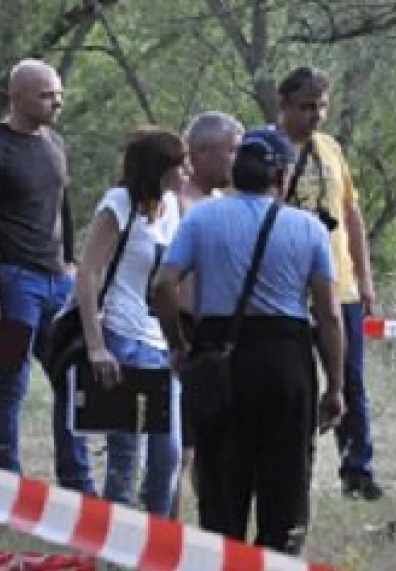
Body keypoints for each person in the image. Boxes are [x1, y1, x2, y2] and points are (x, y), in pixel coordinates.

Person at [151, 126, 346, 554]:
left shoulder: (202, 218)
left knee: (220, 478)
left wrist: (178, 345)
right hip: (285, 360)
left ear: (237, 173)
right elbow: (329, 314)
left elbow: (164, 286)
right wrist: (335, 385)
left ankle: (223, 559)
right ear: (280, 178)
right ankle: (278, 556)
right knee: (286, 479)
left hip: (219, 353)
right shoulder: (308, 229)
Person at [0, 58, 94, 494]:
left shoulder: (55, 144)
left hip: (58, 278)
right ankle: (7, 489)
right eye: (46, 95)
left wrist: (73, 263)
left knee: (72, 378)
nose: (56, 102)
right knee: (12, 384)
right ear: (16, 97)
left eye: (58, 94)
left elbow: (63, 205)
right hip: (14, 279)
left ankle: (77, 482)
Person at [276, 65, 382, 500]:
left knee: (350, 381)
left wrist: (364, 278)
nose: (316, 115)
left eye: (321, 106)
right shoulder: (267, 148)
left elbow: (351, 214)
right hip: (288, 290)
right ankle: (291, 465)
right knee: (295, 384)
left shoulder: (331, 149)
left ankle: (358, 469)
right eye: (306, 107)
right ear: (283, 106)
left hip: (340, 287)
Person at [72, 127, 186, 517]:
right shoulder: (119, 204)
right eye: (177, 165)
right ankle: (115, 546)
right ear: (158, 169)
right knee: (125, 452)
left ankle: (156, 542)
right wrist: (96, 346)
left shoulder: (172, 208)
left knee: (167, 453)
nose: (185, 172)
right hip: (123, 336)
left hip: (161, 342)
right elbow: (87, 274)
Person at [169, 110, 243, 520]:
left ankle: (211, 522)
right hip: (180, 329)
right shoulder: (177, 202)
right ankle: (167, 526)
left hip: (218, 331)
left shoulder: (225, 205)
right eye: (231, 150)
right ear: (200, 152)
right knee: (179, 441)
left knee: (212, 439)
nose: (236, 160)